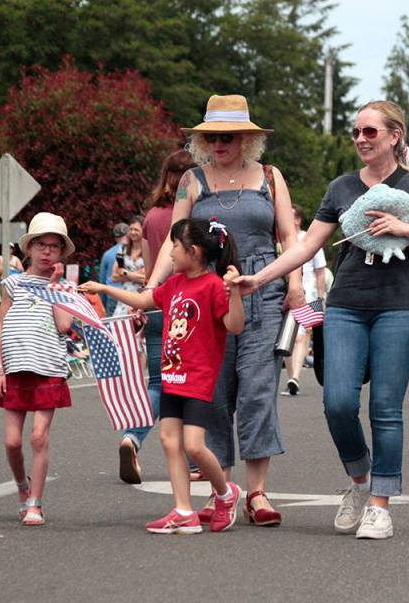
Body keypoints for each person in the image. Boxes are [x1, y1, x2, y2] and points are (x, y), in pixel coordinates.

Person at [235, 100, 409, 539]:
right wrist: (261, 277)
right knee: (337, 403)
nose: (361, 139)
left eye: (370, 131)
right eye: (356, 132)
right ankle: (359, 481)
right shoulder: (341, 187)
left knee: (385, 409)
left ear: (394, 136)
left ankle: (380, 506)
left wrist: (405, 229)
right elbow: (306, 245)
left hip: (398, 307)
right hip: (346, 305)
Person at [147, 94, 304, 527]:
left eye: (227, 136)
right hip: (203, 295)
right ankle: (222, 492)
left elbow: (288, 236)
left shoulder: (269, 177)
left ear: (246, 139)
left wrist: (294, 283)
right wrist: (152, 286)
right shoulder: (192, 181)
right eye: (210, 136)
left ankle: (256, 493)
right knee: (212, 392)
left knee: (257, 391)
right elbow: (171, 242)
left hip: (262, 290)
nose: (218, 143)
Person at [83, 219, 246, 533]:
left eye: (174, 245)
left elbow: (234, 325)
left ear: (193, 251)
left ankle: (226, 493)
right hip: (172, 374)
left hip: (198, 377)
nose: (169, 252)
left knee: (194, 446)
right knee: (170, 440)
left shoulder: (213, 285)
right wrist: (103, 288)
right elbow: (145, 300)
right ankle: (183, 510)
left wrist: (235, 293)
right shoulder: (175, 284)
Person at [0, 213, 77, 526]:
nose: (47, 251)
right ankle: (22, 487)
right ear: (30, 248)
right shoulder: (12, 283)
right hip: (14, 369)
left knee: (39, 437)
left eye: (55, 246)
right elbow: (1, 326)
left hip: (49, 367)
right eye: (41, 244)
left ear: (61, 253)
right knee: (12, 441)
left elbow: (64, 326)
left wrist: (54, 287)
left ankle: (35, 503)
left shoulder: (65, 288)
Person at [117, 149, 197, 484]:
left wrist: (142, 299)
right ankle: (195, 461)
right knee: (193, 383)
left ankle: (133, 437)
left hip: (155, 303)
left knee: (157, 383)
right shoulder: (195, 213)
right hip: (187, 307)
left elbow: (151, 269)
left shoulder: (150, 217)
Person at [284, 204, 327, 397]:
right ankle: (291, 375)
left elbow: (320, 271)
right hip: (284, 292)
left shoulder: (308, 239)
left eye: (290, 215)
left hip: (307, 293)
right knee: (287, 336)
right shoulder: (280, 240)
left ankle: (296, 378)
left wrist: (320, 296)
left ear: (298, 219)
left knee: (302, 334)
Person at [112, 216, 146, 316]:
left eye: (136, 229)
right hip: (124, 297)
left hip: (142, 298)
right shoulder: (122, 250)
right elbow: (114, 276)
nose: (133, 232)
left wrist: (125, 273)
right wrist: (137, 274)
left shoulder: (148, 251)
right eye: (131, 229)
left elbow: (146, 279)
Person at [99, 222, 129, 316]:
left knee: (113, 325)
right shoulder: (132, 252)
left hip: (112, 294)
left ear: (115, 238)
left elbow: (102, 280)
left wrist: (103, 301)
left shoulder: (107, 254)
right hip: (128, 294)